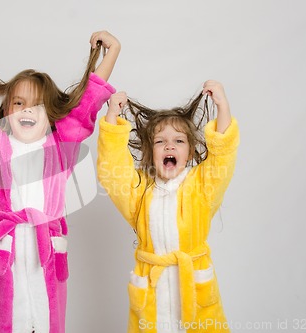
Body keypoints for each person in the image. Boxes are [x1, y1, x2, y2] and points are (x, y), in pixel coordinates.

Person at [0, 23, 120, 333]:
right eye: (19, 102)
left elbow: (86, 105)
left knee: (44, 321)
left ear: (50, 113)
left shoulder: (60, 147)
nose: (27, 110)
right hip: (1, 260)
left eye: (37, 104)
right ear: (7, 108)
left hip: (44, 258)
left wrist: (112, 52)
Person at [97, 82, 239, 333]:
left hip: (194, 286)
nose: (170, 146)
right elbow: (112, 172)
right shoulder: (139, 192)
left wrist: (222, 106)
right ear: (150, 153)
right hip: (152, 292)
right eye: (160, 141)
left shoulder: (202, 186)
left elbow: (222, 159)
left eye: (179, 141)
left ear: (191, 151)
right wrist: (112, 119)